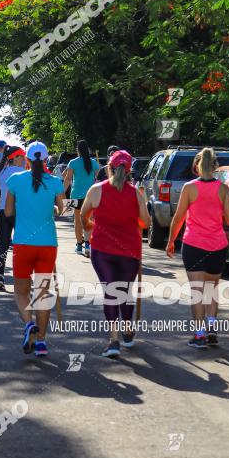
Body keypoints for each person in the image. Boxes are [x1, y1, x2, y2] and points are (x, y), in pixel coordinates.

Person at [166, 147, 229, 348]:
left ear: (197, 167)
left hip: (194, 245)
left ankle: (199, 335)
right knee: (211, 289)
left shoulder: (189, 188)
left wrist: (171, 241)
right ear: (215, 167)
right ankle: (212, 328)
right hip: (217, 246)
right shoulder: (223, 189)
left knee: (197, 291)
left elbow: (179, 217)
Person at [82, 150, 150, 357]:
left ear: (109, 167)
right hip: (130, 250)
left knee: (111, 291)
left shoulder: (96, 190)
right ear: (129, 171)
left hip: (102, 250)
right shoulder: (135, 194)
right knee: (124, 291)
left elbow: (84, 215)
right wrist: (134, 215)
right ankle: (127, 330)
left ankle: (113, 341)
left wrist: (91, 226)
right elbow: (146, 223)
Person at [5, 141, 65, 357]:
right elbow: (62, 209)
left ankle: (28, 323)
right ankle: (41, 342)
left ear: (27, 160)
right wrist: (53, 208)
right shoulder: (55, 181)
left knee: (21, 291)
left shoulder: (15, 180)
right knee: (42, 292)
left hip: (23, 243)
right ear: (47, 159)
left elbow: (8, 212)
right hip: (48, 244)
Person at [0, 145, 26, 291]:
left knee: (3, 245)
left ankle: (1, 276)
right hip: (20, 213)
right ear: (14, 157)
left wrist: (1, 190)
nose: (23, 159)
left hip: (3, 213)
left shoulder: (1, 172)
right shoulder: (24, 173)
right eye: (21, 156)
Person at [62, 139, 100, 257]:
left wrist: (61, 192)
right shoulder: (93, 162)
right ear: (87, 150)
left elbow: (68, 179)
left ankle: (79, 245)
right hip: (90, 196)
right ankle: (88, 244)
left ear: (78, 150)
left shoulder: (73, 162)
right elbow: (99, 175)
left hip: (75, 195)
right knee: (88, 220)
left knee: (77, 220)